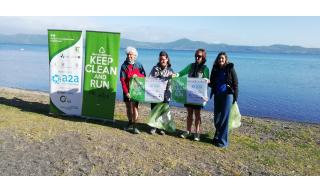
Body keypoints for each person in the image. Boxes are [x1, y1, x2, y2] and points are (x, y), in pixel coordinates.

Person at [178, 49, 210, 141]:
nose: (197, 58)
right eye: (196, 56)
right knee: (189, 114)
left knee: (197, 115)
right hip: (189, 94)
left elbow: (207, 80)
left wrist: (207, 80)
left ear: (203, 57)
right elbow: (181, 73)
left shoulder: (205, 68)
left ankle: (197, 133)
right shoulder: (190, 66)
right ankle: (188, 131)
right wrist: (175, 75)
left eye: (199, 56)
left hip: (198, 96)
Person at [209, 52, 238, 147]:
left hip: (227, 96)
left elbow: (235, 83)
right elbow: (212, 83)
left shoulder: (230, 68)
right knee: (217, 119)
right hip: (217, 95)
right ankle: (217, 135)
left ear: (225, 59)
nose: (221, 60)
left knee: (224, 119)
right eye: (219, 58)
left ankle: (223, 142)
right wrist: (206, 82)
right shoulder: (215, 69)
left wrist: (235, 97)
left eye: (222, 58)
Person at [120, 46, 146, 134]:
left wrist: (138, 76)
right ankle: (130, 122)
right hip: (127, 90)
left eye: (131, 55)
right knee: (128, 106)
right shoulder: (124, 66)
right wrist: (126, 92)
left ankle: (135, 125)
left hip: (136, 90)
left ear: (135, 56)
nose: (129, 56)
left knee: (135, 107)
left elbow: (144, 77)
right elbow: (122, 80)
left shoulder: (139, 65)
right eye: (128, 54)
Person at [149, 50, 176, 135]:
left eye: (164, 59)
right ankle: (153, 127)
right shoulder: (154, 68)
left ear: (167, 59)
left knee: (164, 112)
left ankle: (161, 128)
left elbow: (175, 82)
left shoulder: (171, 70)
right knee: (154, 110)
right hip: (155, 94)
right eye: (161, 59)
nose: (162, 61)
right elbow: (149, 79)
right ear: (159, 59)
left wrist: (174, 77)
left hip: (166, 95)